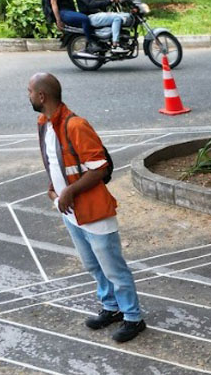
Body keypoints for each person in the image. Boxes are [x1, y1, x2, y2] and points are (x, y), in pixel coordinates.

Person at [29, 72, 146, 344]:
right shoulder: (44, 124)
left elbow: (99, 167)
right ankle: (111, 307)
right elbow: (57, 161)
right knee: (93, 265)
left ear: (42, 96)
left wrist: (69, 190)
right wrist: (54, 186)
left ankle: (133, 317)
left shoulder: (75, 125)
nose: (29, 96)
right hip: (71, 213)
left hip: (93, 212)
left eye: (30, 92)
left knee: (114, 268)